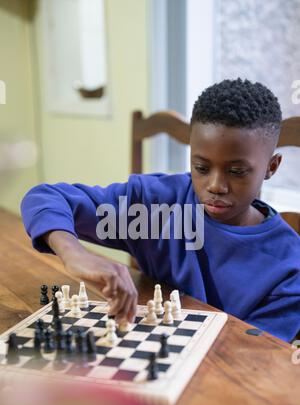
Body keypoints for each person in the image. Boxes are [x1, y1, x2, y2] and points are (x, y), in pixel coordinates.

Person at [21, 78, 300, 342]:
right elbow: (46, 197)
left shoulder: (290, 267)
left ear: (271, 167)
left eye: (237, 171)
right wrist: (75, 255)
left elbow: (257, 356)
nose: (215, 185)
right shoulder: (155, 207)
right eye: (201, 168)